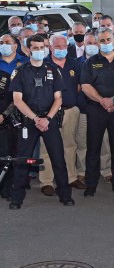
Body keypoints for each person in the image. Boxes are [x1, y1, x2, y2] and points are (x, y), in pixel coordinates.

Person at [8, 35, 74, 209]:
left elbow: (58, 98)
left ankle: (65, 195)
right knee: (23, 160)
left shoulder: (53, 70)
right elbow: (17, 100)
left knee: (58, 157)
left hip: (49, 119)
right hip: (29, 121)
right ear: (28, 49)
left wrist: (48, 119)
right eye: (35, 48)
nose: (39, 50)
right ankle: (17, 198)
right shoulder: (20, 72)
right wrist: (36, 119)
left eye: (42, 47)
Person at [80, 27, 114, 197]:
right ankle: (91, 184)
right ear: (97, 42)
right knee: (93, 148)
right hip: (96, 109)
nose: (106, 43)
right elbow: (86, 86)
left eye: (109, 40)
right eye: (102, 41)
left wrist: (113, 100)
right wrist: (102, 100)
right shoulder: (90, 62)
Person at [38, 34, 86, 196]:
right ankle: (47, 181)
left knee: (70, 145)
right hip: (49, 113)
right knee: (47, 147)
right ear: (50, 47)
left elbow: (79, 86)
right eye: (57, 46)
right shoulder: (43, 65)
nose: (61, 49)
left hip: (71, 110)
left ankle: (70, 177)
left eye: (64, 46)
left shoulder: (74, 64)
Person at [0, 34, 28, 199]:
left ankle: (12, 187)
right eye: (1, 43)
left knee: (14, 151)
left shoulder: (24, 62)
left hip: (18, 112)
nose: (4, 45)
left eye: (7, 42)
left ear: (15, 45)